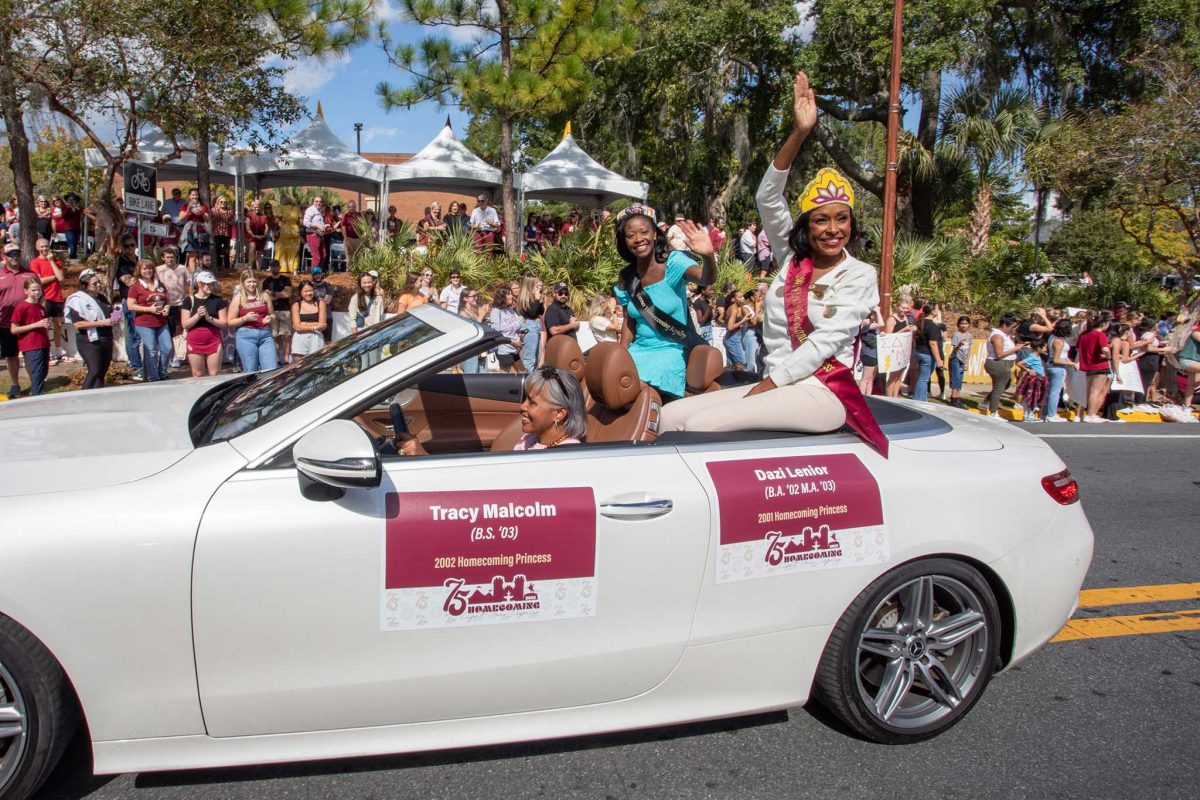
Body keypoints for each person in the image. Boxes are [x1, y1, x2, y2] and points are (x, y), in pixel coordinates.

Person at [660, 72, 887, 455]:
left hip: (819, 391)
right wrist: (800, 132)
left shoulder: (860, 275)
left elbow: (822, 345)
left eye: (841, 218)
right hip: (774, 386)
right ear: (807, 226)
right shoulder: (792, 259)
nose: (833, 229)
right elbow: (768, 196)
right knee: (670, 417)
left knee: (699, 427)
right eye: (821, 219)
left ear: (851, 222)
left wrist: (761, 390)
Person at [612, 204, 717, 402]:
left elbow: (705, 278)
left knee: (633, 390)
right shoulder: (627, 277)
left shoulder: (673, 263)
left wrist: (708, 256)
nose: (638, 239)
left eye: (644, 232)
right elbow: (629, 322)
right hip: (638, 350)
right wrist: (621, 354)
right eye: (631, 235)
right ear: (624, 241)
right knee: (610, 382)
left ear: (654, 234)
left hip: (671, 351)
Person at [396, 366, 587, 456]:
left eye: (532, 403)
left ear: (559, 414)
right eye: (524, 399)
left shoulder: (565, 457)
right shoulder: (533, 440)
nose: (522, 407)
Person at [64, 268, 115, 389]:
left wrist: (114, 317)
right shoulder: (77, 300)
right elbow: (78, 324)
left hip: (106, 338)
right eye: (94, 284)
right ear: (84, 285)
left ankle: (98, 396)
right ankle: (83, 397)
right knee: (94, 370)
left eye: (99, 283)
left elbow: (107, 313)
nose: (98, 285)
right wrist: (101, 322)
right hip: (89, 340)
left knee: (102, 372)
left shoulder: (102, 298)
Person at [125, 259, 172, 381]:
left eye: (150, 268)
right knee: (150, 350)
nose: (148, 271)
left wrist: (167, 307)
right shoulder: (135, 287)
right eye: (145, 269)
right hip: (144, 323)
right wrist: (148, 309)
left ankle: (162, 372)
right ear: (139, 271)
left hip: (161, 322)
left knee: (167, 348)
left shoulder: (160, 284)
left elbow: (168, 300)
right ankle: (153, 376)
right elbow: (130, 306)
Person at [28, 238, 71, 365]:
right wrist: (54, 277)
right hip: (45, 298)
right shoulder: (35, 262)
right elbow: (39, 281)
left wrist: (52, 261)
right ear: (37, 248)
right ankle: (46, 353)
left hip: (57, 297)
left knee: (58, 325)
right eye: (42, 247)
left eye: (46, 246)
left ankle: (58, 351)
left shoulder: (55, 260)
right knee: (45, 326)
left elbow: (61, 278)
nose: (45, 249)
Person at [228, 270, 278, 372]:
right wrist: (245, 318)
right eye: (249, 282)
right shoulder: (238, 298)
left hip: (265, 335)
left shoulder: (264, 296)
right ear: (243, 282)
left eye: (254, 281)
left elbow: (272, 314)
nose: (252, 284)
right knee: (251, 371)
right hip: (246, 336)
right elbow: (230, 322)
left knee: (272, 370)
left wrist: (270, 318)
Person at [180, 271, 228, 377]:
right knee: (197, 374)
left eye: (212, 283)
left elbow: (224, 323)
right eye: (208, 284)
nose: (211, 286)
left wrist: (209, 318)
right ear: (199, 284)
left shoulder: (218, 300)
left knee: (214, 373)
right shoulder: (189, 300)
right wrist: (197, 315)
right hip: (195, 340)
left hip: (213, 339)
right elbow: (185, 324)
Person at [9, 277, 51, 395]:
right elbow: (14, 329)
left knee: (43, 373)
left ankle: (37, 392)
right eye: (33, 290)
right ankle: (36, 395)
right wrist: (36, 325)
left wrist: (45, 324)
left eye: (38, 290)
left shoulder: (40, 307)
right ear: (26, 291)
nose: (37, 292)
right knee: (37, 373)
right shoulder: (22, 307)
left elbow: (42, 323)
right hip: (31, 345)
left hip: (43, 343)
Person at [155, 247, 191, 369]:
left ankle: (177, 356)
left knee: (178, 331)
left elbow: (189, 284)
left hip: (179, 303)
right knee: (164, 330)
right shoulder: (158, 270)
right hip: (164, 304)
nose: (170, 259)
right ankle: (165, 355)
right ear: (163, 258)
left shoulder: (182, 269)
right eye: (167, 257)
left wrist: (190, 298)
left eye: (172, 257)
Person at [112, 236, 142, 379]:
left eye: (132, 245)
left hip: (142, 301)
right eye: (127, 246)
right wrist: (141, 279)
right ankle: (135, 365)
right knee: (132, 335)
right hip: (129, 300)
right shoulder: (121, 262)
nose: (130, 248)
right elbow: (128, 281)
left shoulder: (138, 259)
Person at [1075, 311, 1113, 423]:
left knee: (1088, 391)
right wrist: (1108, 356)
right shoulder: (1100, 335)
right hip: (1099, 365)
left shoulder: (1083, 334)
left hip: (1086, 365)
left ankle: (1083, 414)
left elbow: (1078, 348)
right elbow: (1105, 349)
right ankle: (1091, 414)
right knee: (1095, 391)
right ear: (1104, 324)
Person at [984, 313, 1021, 417]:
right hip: (999, 364)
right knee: (998, 389)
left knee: (1006, 384)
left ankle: (985, 402)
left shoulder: (1005, 335)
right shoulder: (997, 336)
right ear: (1004, 325)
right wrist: (1015, 349)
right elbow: (999, 354)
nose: (1013, 329)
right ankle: (993, 412)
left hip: (1005, 364)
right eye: (1012, 327)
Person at [883, 297, 917, 397]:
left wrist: (911, 329)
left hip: (903, 350)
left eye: (907, 308)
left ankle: (895, 396)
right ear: (897, 307)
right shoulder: (892, 319)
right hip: (894, 351)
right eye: (903, 308)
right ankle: (889, 398)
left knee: (899, 376)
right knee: (893, 376)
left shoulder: (905, 318)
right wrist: (905, 329)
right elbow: (889, 336)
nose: (905, 310)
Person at [488, 285, 525, 372]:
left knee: (523, 372)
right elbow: (496, 334)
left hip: (514, 349)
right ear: (502, 297)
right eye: (508, 294)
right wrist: (512, 342)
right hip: (504, 350)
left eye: (510, 294)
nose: (511, 296)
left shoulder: (510, 309)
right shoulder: (496, 312)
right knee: (505, 377)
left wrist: (520, 333)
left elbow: (517, 325)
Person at [262, 259, 293, 363]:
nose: (274, 268)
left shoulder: (286, 280)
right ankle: (277, 360)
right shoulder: (266, 281)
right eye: (272, 266)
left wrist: (273, 294)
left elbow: (288, 294)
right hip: (271, 311)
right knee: (273, 337)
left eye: (276, 266)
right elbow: (265, 296)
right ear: (270, 267)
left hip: (285, 311)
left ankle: (286, 360)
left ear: (279, 267)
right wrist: (280, 294)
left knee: (286, 337)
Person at [913, 301, 944, 402]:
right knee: (923, 379)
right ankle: (919, 400)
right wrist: (939, 360)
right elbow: (933, 344)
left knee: (921, 377)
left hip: (918, 352)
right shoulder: (933, 326)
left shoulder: (919, 322)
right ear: (933, 312)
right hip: (927, 355)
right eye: (937, 309)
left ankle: (922, 398)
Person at [290, 279, 327, 361]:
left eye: (310, 290)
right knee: (298, 367)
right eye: (305, 291)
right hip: (300, 340)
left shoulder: (320, 303)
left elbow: (323, 325)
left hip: (316, 339)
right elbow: (296, 327)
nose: (309, 293)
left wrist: (305, 324)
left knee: (316, 366)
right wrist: (314, 327)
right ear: (300, 292)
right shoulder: (296, 305)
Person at [1014, 338, 1048, 420]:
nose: (1046, 349)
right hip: (1035, 379)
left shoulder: (1038, 356)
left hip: (1040, 378)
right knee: (1031, 397)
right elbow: (1019, 363)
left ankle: (1029, 414)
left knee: (1036, 397)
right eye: (1044, 347)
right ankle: (1027, 415)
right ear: (1039, 348)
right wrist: (1028, 370)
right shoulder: (1033, 357)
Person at [515, 276, 545, 371]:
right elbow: (532, 314)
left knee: (538, 356)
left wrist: (539, 301)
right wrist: (536, 300)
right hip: (530, 326)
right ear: (530, 286)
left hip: (536, 325)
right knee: (530, 358)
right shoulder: (525, 299)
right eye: (537, 286)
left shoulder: (534, 297)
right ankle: (527, 382)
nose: (539, 288)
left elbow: (540, 312)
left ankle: (533, 380)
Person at [178, 189, 211, 273]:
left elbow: (207, 220)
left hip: (201, 231)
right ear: (189, 196)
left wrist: (202, 212)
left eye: (196, 195)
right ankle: (193, 277)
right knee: (192, 256)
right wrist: (188, 210)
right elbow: (180, 218)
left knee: (200, 255)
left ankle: (201, 275)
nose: (194, 197)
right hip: (190, 232)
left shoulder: (203, 206)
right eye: (192, 195)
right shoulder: (185, 206)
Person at [347, 270, 387, 335]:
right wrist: (355, 336)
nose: (367, 285)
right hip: (361, 332)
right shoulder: (355, 298)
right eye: (364, 283)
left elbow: (381, 317)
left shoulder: (378, 298)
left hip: (375, 332)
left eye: (369, 282)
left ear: (373, 282)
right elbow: (352, 319)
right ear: (360, 283)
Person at [947, 315, 973, 408]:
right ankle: (954, 399)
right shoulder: (956, 335)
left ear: (969, 325)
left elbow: (969, 349)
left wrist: (967, 362)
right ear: (958, 325)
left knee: (960, 379)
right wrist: (959, 344)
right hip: (955, 358)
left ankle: (957, 398)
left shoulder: (969, 336)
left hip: (963, 359)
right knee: (955, 379)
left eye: (966, 324)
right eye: (962, 323)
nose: (964, 325)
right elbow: (954, 350)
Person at [858, 306, 883, 396]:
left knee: (871, 378)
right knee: (865, 377)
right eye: (875, 315)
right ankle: (861, 396)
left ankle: (869, 395)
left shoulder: (874, 326)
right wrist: (878, 311)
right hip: (868, 354)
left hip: (875, 354)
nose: (876, 317)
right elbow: (882, 324)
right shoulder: (866, 323)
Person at [276, 195, 302, 274]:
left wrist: (280, 226)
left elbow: (277, 220)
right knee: (295, 251)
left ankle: (283, 268)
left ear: (284, 201)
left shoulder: (282, 208)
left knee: (283, 250)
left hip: (284, 232)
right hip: (295, 231)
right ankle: (294, 270)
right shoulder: (297, 209)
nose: (280, 202)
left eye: (281, 200)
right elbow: (300, 222)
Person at [209, 196, 236, 272]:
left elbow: (233, 222)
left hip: (226, 233)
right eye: (221, 202)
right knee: (217, 250)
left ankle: (227, 267)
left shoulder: (229, 211)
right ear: (218, 202)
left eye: (224, 202)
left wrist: (228, 221)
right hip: (217, 233)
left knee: (226, 251)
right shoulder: (213, 210)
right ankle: (218, 266)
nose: (223, 203)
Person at [310, 267, 335, 342]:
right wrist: (321, 300)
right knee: (314, 340)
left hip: (327, 317)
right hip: (314, 317)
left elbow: (327, 301)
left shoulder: (328, 286)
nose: (317, 276)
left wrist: (315, 301)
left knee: (327, 341)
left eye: (319, 274)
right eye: (315, 274)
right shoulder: (310, 286)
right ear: (312, 276)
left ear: (322, 274)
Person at [303, 196, 328, 272]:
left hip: (320, 236)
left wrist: (325, 226)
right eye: (316, 201)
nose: (318, 203)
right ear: (313, 202)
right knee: (316, 257)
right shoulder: (310, 210)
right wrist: (317, 226)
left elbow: (319, 224)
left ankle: (318, 273)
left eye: (320, 201)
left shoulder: (319, 212)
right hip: (312, 235)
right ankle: (315, 276)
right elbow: (305, 222)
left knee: (323, 255)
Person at [244, 199, 270, 269]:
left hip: (262, 237)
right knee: (252, 247)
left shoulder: (264, 216)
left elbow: (267, 227)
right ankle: (250, 266)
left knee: (259, 252)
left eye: (258, 207)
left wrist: (264, 235)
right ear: (253, 207)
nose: (257, 208)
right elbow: (247, 227)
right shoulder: (249, 215)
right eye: (255, 207)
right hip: (252, 236)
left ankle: (258, 269)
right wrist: (253, 235)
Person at [340, 200, 364, 265]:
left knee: (358, 257)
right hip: (349, 238)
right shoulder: (346, 216)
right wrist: (346, 240)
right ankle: (349, 272)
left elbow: (364, 226)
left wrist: (360, 220)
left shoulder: (359, 215)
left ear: (355, 207)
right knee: (349, 257)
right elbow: (343, 227)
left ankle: (358, 272)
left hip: (358, 239)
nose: (351, 208)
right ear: (348, 207)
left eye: (353, 206)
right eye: (350, 207)